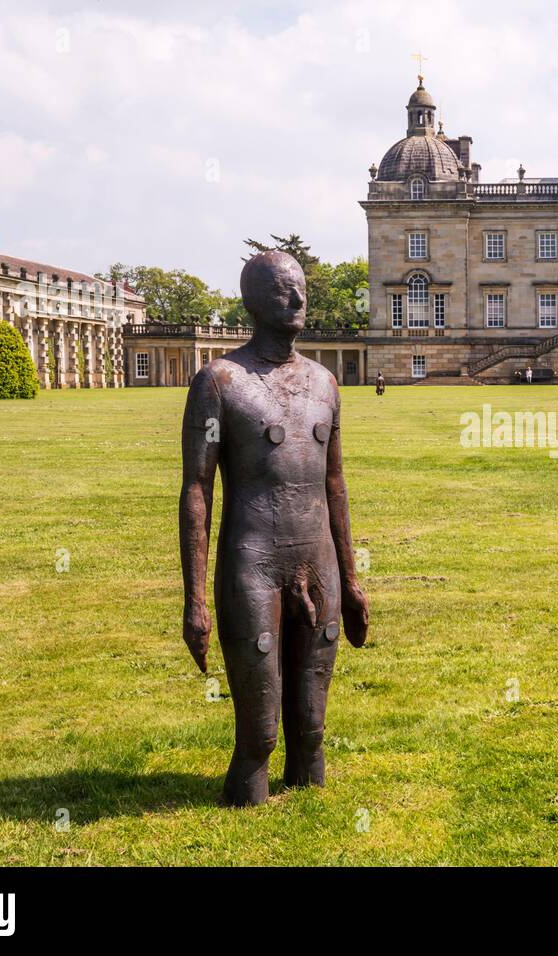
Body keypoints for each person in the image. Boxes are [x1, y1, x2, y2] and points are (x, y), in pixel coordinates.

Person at [179, 251, 370, 806]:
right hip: (253, 559)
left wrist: (351, 579)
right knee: (259, 736)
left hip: (319, 561)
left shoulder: (324, 383)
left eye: (301, 288)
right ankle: (247, 799)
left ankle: (308, 806)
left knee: (310, 735)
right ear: (254, 301)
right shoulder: (220, 381)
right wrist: (195, 598)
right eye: (283, 289)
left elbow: (335, 485)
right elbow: (197, 487)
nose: (298, 299)